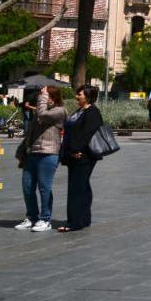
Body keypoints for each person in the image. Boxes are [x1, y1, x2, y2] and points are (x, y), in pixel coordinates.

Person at [15, 86, 65, 232]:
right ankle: (31, 217)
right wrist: (22, 151)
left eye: (44, 96)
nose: (40, 98)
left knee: (44, 187)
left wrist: (42, 97)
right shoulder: (40, 111)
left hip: (49, 153)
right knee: (27, 187)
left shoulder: (60, 111)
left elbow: (43, 114)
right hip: (32, 153)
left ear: (53, 98)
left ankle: (45, 219)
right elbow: (30, 133)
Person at [57, 86, 105, 233]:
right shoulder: (80, 111)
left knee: (76, 188)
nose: (77, 97)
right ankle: (83, 219)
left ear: (88, 96)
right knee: (82, 186)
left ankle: (74, 222)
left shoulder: (92, 112)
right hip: (74, 155)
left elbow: (86, 135)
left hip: (83, 156)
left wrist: (74, 150)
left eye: (80, 94)